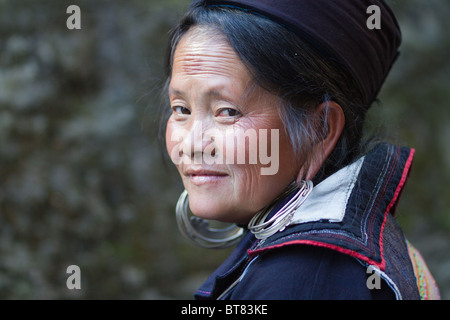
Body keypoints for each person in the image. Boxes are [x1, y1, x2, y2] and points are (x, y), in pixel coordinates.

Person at [161, 0, 440, 300]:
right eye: (181, 109)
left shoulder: (303, 279)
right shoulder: (362, 246)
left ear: (320, 129)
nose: (191, 144)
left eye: (227, 112)